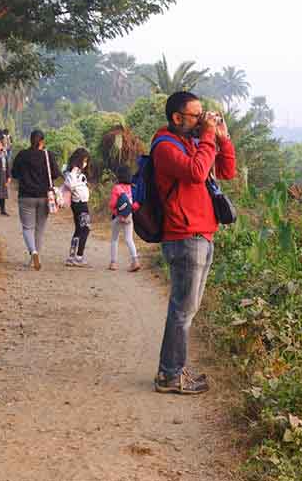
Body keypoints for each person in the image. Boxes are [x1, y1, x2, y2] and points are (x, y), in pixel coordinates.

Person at [152, 91, 236, 395]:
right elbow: (197, 172)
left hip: (203, 233)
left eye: (204, 115)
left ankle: (173, 370)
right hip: (184, 235)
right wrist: (209, 135)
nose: (202, 120)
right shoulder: (165, 146)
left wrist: (222, 139)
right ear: (177, 118)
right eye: (196, 115)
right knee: (182, 309)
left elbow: (226, 171)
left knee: (188, 309)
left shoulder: (193, 143)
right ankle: (170, 375)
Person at [12, 129, 61, 270]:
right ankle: (35, 255)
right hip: (44, 197)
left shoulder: (22, 155)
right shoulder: (48, 155)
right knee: (39, 229)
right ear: (42, 141)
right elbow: (56, 174)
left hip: (26, 196)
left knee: (28, 228)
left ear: (30, 140)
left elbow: (14, 173)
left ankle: (33, 252)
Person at [108, 165, 140, 272]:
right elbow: (136, 204)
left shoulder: (116, 188)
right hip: (129, 217)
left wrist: (118, 214)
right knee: (129, 239)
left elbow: (112, 204)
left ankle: (113, 263)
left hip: (117, 217)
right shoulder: (133, 188)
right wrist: (129, 212)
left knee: (114, 239)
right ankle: (135, 261)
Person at [63, 148, 91, 267]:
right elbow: (70, 184)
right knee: (85, 229)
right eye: (84, 160)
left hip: (79, 203)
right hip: (80, 204)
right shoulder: (74, 171)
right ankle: (79, 257)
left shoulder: (76, 171)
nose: (85, 163)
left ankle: (72, 256)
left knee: (79, 229)